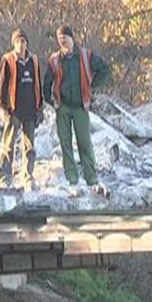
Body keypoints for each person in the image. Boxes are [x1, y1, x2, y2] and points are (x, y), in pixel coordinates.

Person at [43, 25, 111, 195]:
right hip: (63, 107)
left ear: (72, 38)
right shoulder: (55, 60)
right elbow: (46, 83)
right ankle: (72, 178)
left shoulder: (86, 56)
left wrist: (91, 86)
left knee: (84, 142)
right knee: (65, 143)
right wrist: (51, 101)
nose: (62, 40)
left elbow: (105, 69)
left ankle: (91, 178)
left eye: (64, 37)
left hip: (81, 105)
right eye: (59, 38)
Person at [0, 29, 43, 191]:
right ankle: (4, 177)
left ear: (27, 43)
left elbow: (38, 84)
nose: (21, 44)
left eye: (23, 41)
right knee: (8, 144)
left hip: (30, 109)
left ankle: (28, 176)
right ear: (13, 43)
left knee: (29, 146)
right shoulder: (8, 60)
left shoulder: (34, 61)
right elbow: (1, 85)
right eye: (18, 41)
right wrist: (2, 107)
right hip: (13, 110)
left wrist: (39, 108)